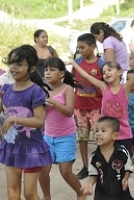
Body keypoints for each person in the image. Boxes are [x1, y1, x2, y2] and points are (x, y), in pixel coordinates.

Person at [0, 45, 53, 200]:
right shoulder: (6, 89)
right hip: (11, 146)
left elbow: (39, 120)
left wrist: (13, 119)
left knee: (30, 194)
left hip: (32, 149)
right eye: (12, 63)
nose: (14, 68)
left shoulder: (35, 91)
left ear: (31, 68)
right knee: (12, 193)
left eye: (20, 64)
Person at [69, 42, 134, 157]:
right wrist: (74, 63)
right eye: (104, 72)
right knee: (107, 165)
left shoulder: (125, 88)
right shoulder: (103, 87)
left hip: (123, 135)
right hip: (106, 136)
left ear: (119, 72)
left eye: (109, 70)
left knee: (123, 165)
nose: (106, 73)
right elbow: (86, 76)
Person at [39, 57, 85, 200]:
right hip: (48, 136)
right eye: (46, 70)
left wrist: (54, 103)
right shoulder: (42, 90)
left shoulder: (67, 89)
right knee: (43, 170)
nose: (48, 72)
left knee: (65, 172)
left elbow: (69, 111)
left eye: (52, 70)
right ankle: (47, 197)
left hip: (66, 136)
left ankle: (81, 192)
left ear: (61, 74)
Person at [72, 33, 104, 179]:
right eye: (78, 48)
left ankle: (100, 165)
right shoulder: (77, 62)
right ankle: (86, 166)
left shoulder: (101, 64)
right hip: (79, 107)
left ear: (93, 47)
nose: (80, 50)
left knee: (100, 137)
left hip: (96, 107)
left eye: (83, 47)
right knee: (82, 138)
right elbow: (72, 81)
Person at [81, 116, 134, 200]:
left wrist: (125, 178)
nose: (98, 134)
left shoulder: (122, 152)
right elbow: (94, 174)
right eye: (97, 130)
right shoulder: (94, 156)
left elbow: (128, 168)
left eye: (103, 131)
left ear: (115, 135)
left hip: (121, 194)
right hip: (102, 195)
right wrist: (90, 184)